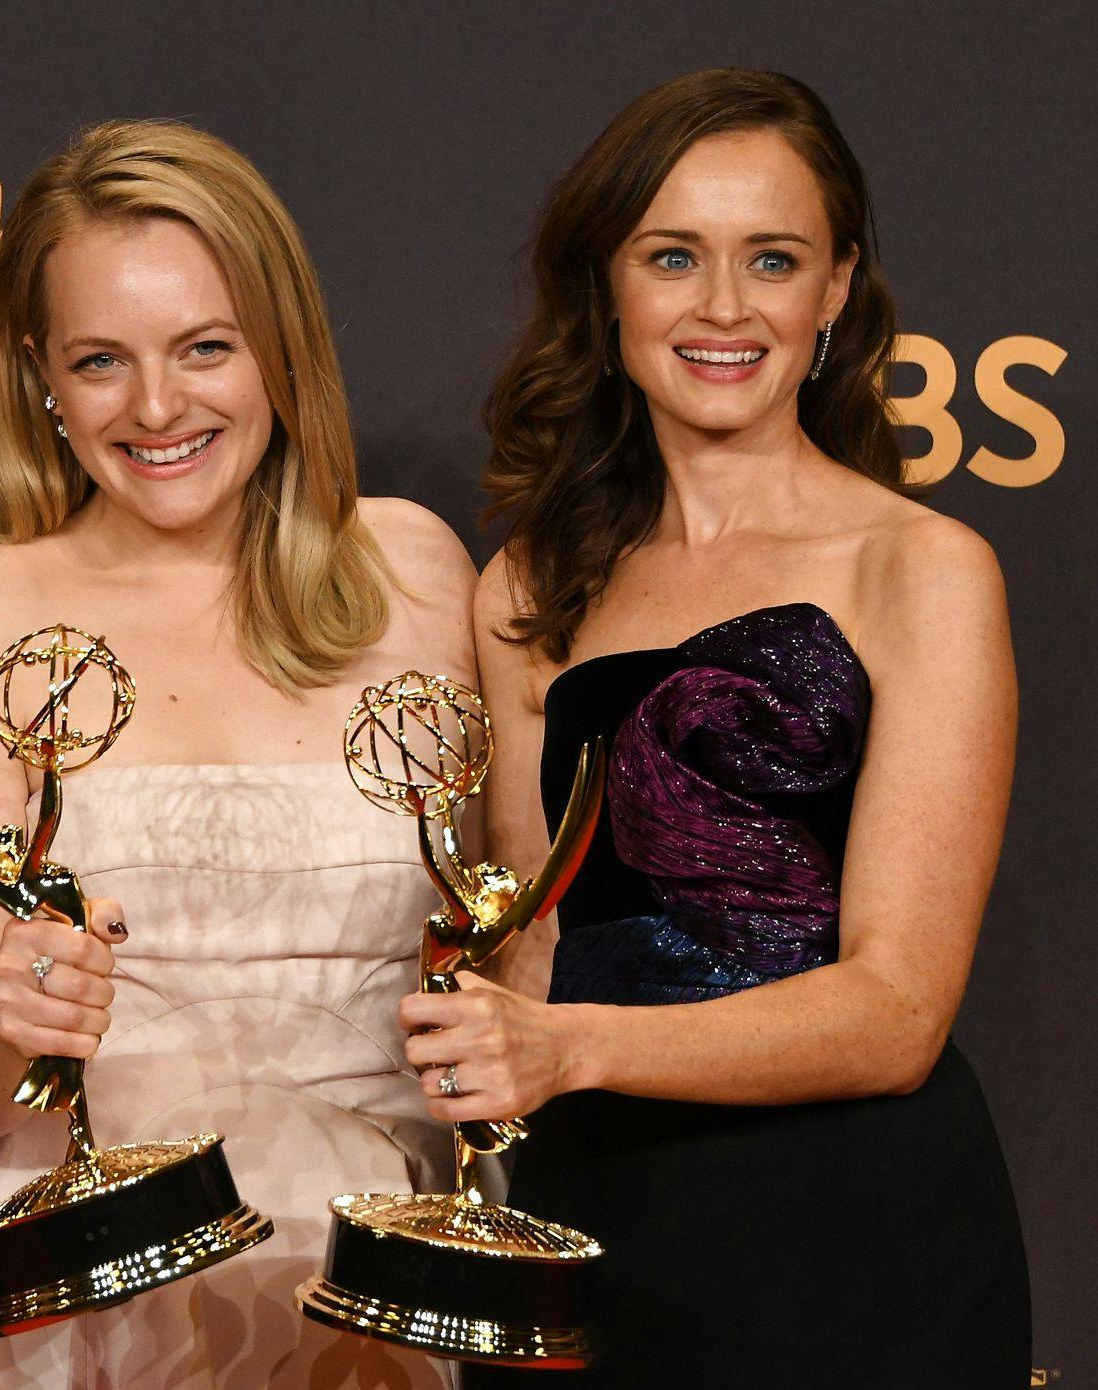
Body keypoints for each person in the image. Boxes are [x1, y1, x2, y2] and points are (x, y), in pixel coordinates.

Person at [418, 69, 1029, 1387]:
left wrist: (571, 1045)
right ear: (609, 284)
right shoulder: (527, 587)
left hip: (864, 1242)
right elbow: (535, 947)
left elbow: (896, 1010)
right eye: (674, 256)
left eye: (774, 259)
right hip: (592, 1230)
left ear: (836, 290)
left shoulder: (922, 570)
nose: (724, 307)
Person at [0, 119, 473, 1387]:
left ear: (282, 346)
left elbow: (507, 939)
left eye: (206, 347)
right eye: (101, 360)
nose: (157, 408)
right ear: (38, 370)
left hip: (369, 1285)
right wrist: (8, 1022)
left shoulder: (415, 574)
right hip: (79, 1305)